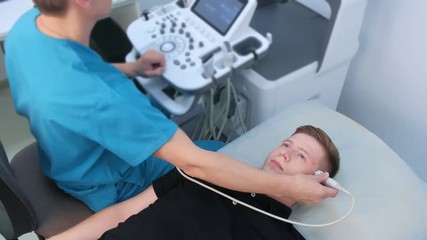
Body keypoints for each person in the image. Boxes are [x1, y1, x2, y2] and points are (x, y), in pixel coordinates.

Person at [5, 0, 337, 213]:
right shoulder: (104, 100)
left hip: (64, 153)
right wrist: (289, 186)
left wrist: (133, 69)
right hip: (105, 183)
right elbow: (196, 165)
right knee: (219, 153)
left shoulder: (27, 28)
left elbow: (79, 69)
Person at [49, 125, 340, 240]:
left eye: (300, 155)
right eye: (286, 144)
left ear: (316, 182)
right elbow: (122, 213)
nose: (284, 153)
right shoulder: (208, 170)